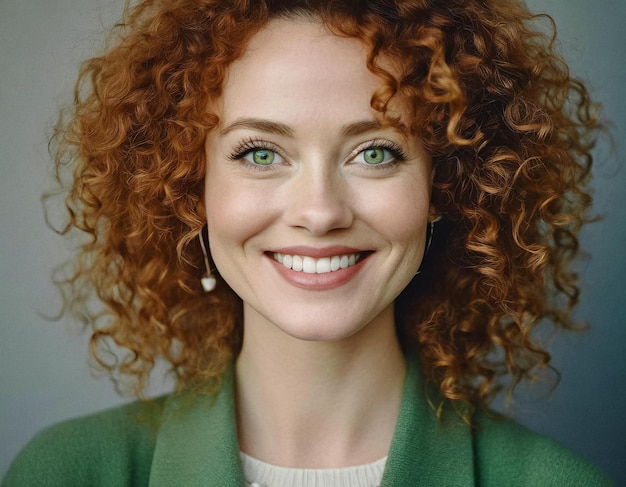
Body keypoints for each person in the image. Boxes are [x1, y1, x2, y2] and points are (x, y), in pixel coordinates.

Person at [2, 0, 612, 485]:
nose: (319, 212)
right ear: (191, 188)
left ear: (445, 186)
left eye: (375, 152)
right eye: (260, 153)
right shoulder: (69, 472)